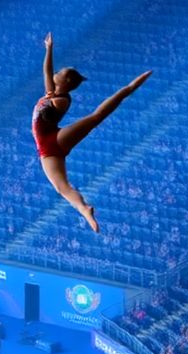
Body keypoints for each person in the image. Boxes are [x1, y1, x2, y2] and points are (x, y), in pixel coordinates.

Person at [32, 32, 151, 233]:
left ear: (66, 82)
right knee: (62, 188)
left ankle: (128, 89)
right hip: (48, 144)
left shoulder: (61, 99)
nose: (56, 71)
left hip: (49, 142)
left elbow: (47, 97)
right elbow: (47, 72)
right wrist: (49, 49)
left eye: (60, 72)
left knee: (96, 117)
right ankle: (84, 209)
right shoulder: (56, 92)